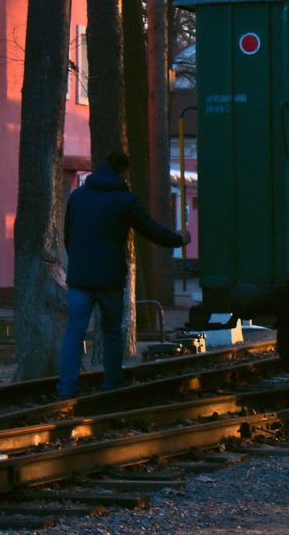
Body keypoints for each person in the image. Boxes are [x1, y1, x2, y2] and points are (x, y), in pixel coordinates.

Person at [57, 151, 189, 398]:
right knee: (111, 332)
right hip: (109, 279)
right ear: (124, 172)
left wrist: (78, 262)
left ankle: (66, 387)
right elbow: (150, 230)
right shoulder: (124, 200)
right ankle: (112, 383)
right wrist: (178, 239)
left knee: (75, 332)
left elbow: (68, 235)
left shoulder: (78, 197)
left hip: (80, 277)